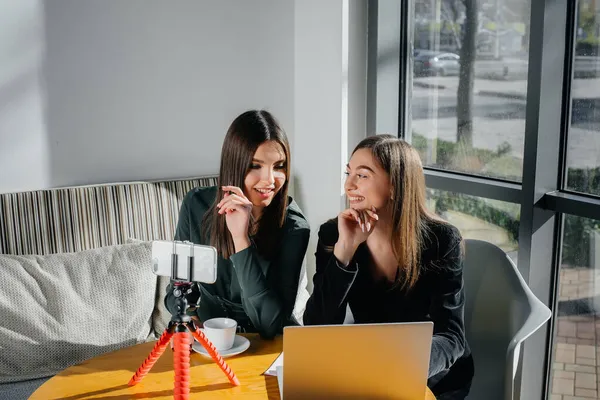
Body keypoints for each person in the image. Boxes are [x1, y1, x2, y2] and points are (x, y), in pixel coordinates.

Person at [303, 135, 473, 399]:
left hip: (433, 377)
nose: (349, 185)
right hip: (370, 372)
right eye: (349, 173)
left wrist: (400, 367)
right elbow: (317, 326)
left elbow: (451, 336)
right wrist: (344, 252)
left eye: (363, 175)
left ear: (395, 186)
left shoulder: (442, 241)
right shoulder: (334, 233)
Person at [165, 110, 310, 339]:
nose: (269, 180)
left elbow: (271, 325)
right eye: (255, 165)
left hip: (267, 346)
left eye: (279, 166)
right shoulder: (196, 205)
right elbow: (178, 289)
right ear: (235, 164)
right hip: (209, 341)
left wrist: (240, 240)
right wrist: (187, 317)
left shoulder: (294, 228)